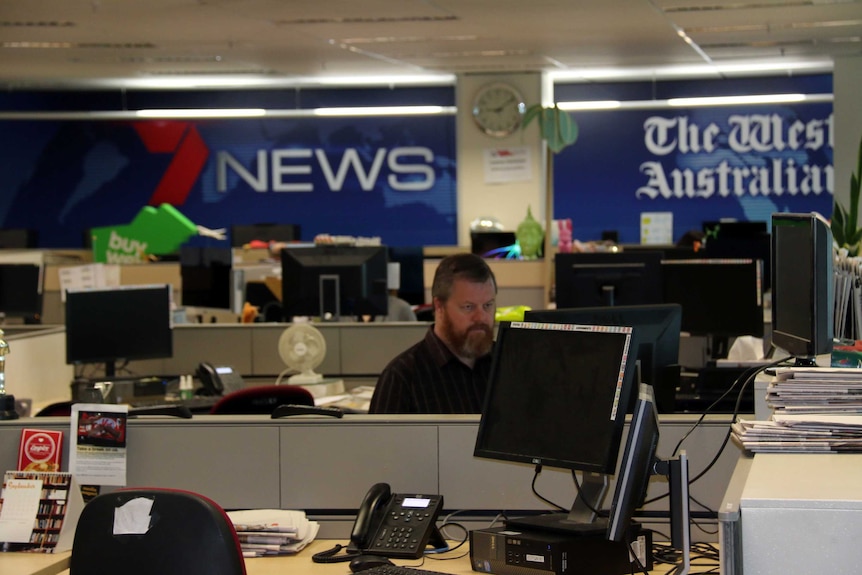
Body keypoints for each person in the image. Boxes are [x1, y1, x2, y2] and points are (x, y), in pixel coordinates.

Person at [369, 253, 497, 413]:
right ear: (439, 306)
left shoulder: (506, 364)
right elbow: (380, 438)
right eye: (468, 307)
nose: (481, 317)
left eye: (488, 305)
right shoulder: (402, 378)